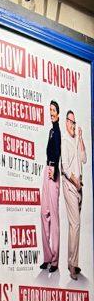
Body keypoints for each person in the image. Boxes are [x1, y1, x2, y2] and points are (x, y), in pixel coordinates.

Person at [60, 109, 87, 280]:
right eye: (70, 122)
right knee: (75, 224)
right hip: (70, 186)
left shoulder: (76, 141)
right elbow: (64, 167)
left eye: (74, 122)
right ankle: (71, 265)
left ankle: (73, 262)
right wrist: (75, 182)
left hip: (79, 188)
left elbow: (84, 159)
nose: (72, 125)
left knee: (74, 227)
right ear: (66, 123)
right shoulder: (64, 141)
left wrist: (81, 139)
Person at [39, 101, 62, 274]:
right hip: (47, 168)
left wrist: (53, 171)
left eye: (53, 111)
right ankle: (47, 257)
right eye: (50, 110)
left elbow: (57, 152)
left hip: (53, 170)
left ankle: (55, 261)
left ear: (58, 114)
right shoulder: (51, 130)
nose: (51, 113)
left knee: (54, 216)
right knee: (44, 213)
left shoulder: (58, 131)